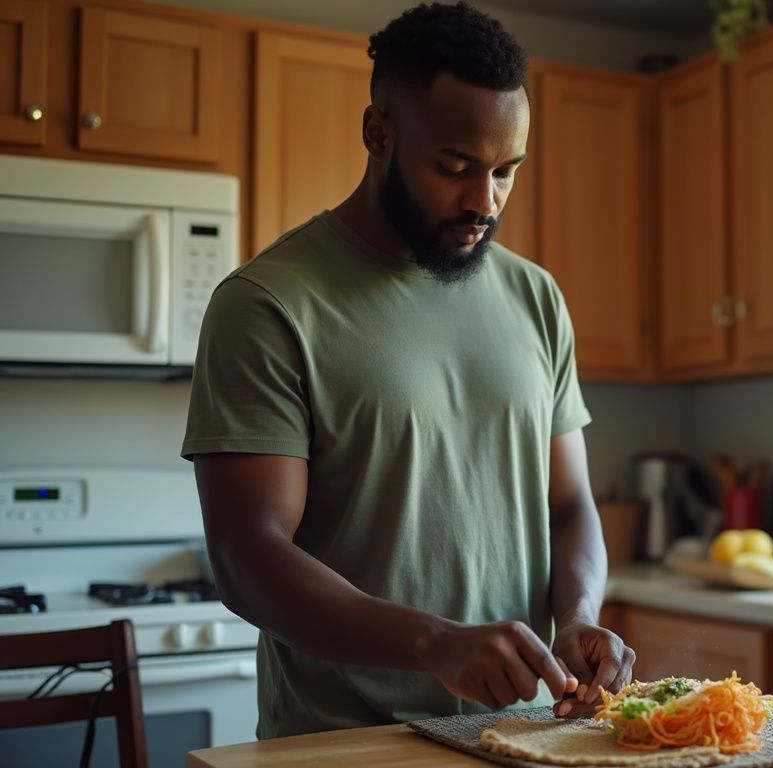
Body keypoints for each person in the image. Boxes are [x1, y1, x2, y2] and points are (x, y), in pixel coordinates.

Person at [182, 1, 635, 739]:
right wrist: (432, 643)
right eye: (454, 168)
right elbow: (247, 557)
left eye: (506, 171)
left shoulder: (536, 297)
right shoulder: (268, 304)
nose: (484, 202)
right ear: (378, 132)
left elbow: (571, 504)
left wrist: (578, 618)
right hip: (344, 742)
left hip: (520, 738)